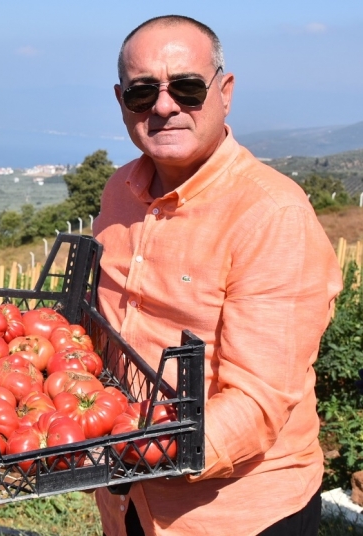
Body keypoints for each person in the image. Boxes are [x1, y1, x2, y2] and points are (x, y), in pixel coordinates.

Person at [92, 15, 343, 536]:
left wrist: (128, 449)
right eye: (142, 93)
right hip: (126, 499)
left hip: (236, 514)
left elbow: (256, 401)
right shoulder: (119, 190)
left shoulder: (271, 214)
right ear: (121, 102)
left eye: (186, 88)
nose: (164, 106)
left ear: (224, 92)